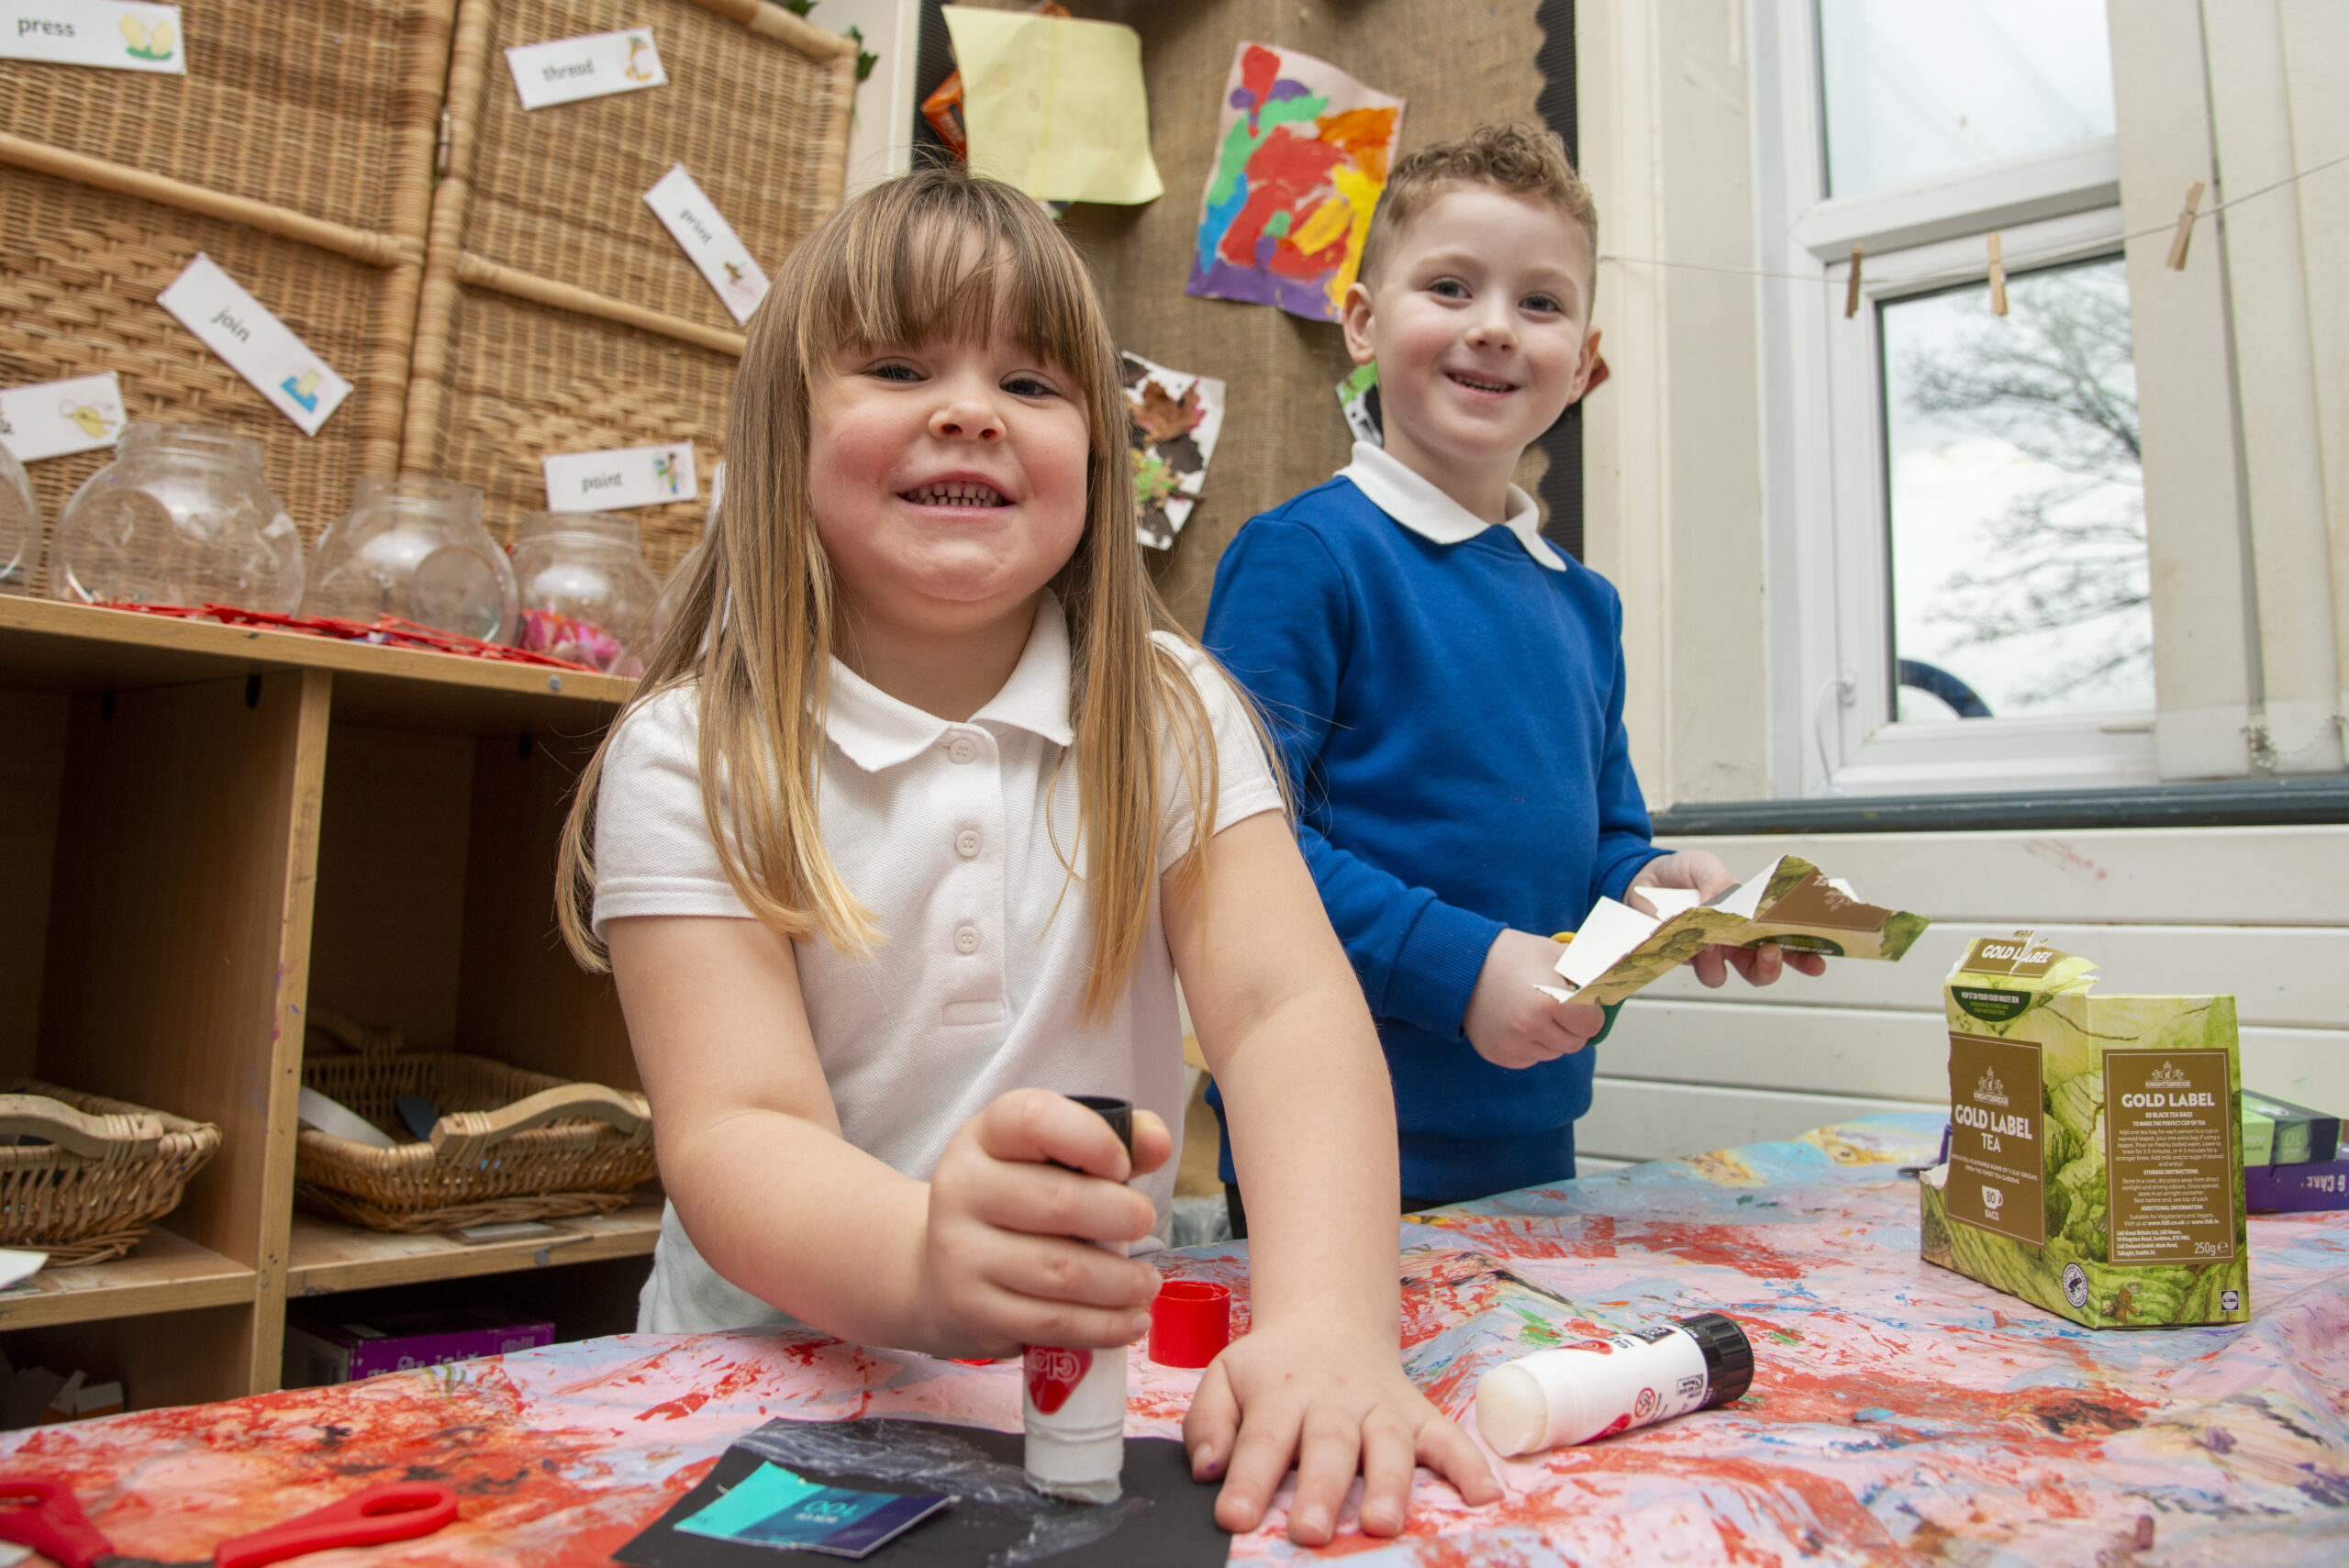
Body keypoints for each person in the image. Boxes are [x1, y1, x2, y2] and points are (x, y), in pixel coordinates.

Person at [556, 167, 1497, 1546]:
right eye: (897, 366)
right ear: (782, 430)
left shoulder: (1171, 711)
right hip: (754, 1399)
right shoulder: (688, 753)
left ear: (1099, 458)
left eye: (1032, 383)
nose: (970, 411)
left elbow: (1286, 1013)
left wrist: (1330, 1328)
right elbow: (736, 1126)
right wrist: (922, 1256)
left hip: (1084, 1392)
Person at [1202, 124, 1822, 1225]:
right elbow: (1233, 848)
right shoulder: (1305, 557)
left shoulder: (1586, 606)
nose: (1492, 326)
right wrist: (1464, 969)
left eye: (1539, 303)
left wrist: (1657, 886)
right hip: (1322, 1123)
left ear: (1582, 363)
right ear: (1362, 322)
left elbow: (1604, 840)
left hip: (1535, 1124)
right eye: (1449, 287)